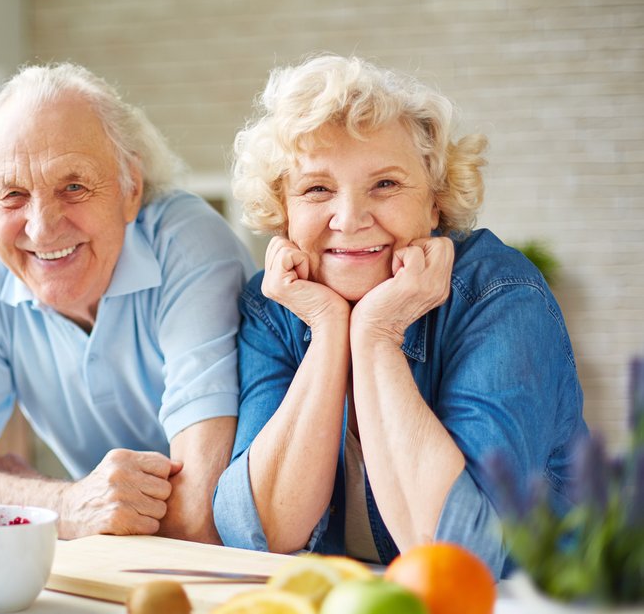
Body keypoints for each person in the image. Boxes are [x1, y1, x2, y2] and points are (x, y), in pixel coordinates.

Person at [212, 54, 587, 577]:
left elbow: (462, 553)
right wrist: (328, 330)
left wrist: (377, 333)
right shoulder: (276, 304)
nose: (350, 219)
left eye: (385, 184)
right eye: (317, 189)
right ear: (285, 209)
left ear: (435, 203)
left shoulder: (501, 294)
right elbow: (257, 531)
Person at [0, 63, 254, 543]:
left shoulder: (188, 244)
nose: (41, 228)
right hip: (115, 569)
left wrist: (31, 492)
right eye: (13, 194)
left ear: (130, 190)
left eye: (74, 187)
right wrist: (64, 504)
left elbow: (199, 514)